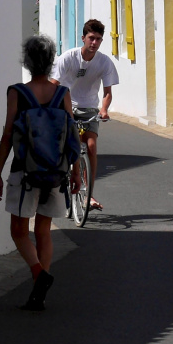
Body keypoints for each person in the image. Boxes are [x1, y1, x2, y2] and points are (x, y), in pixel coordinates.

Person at [0, 34, 73, 311]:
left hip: (24, 172)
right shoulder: (62, 93)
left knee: (18, 231)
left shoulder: (17, 92)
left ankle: (39, 274)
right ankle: (39, 295)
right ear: (51, 62)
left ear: (26, 61)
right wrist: (74, 173)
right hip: (56, 172)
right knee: (43, 231)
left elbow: (6, 136)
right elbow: (71, 137)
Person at [51, 19, 119, 212]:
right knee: (70, 145)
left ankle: (89, 193)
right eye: (91, 38)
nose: (94, 43)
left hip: (89, 107)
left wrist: (104, 110)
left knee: (90, 146)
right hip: (66, 105)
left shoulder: (104, 62)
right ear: (83, 38)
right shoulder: (68, 58)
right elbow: (54, 84)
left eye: (98, 39)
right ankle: (63, 178)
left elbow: (107, 93)